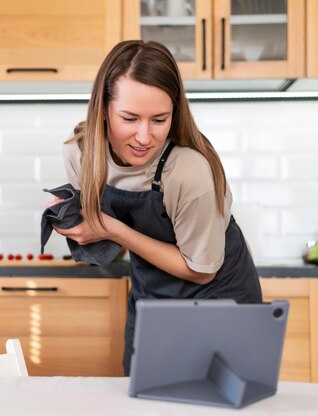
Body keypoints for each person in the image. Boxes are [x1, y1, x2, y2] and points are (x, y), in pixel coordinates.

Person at [51, 40, 262, 376]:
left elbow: (202, 268)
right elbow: (110, 245)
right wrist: (75, 221)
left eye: (159, 119)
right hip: (150, 299)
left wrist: (111, 228)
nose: (144, 137)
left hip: (219, 298)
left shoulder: (188, 170)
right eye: (129, 118)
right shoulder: (81, 153)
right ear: (103, 108)